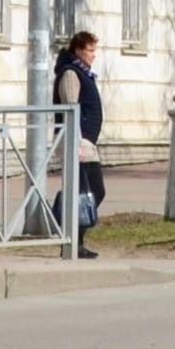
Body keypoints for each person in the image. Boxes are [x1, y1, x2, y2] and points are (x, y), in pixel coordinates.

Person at [53, 30, 105, 259]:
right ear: (78, 50)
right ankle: (72, 235)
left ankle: (74, 234)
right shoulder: (71, 74)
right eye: (90, 50)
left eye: (95, 50)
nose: (94, 55)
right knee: (85, 192)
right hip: (77, 142)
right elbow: (70, 108)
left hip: (87, 143)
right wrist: (74, 142)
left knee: (93, 192)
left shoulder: (85, 73)